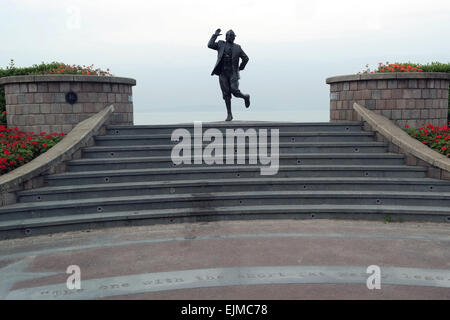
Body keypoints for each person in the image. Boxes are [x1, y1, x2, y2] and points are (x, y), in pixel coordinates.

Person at [208, 28, 251, 121]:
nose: (230, 37)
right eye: (228, 35)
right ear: (226, 36)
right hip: (222, 73)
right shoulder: (220, 44)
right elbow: (210, 45)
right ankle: (229, 114)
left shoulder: (238, 47)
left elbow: (246, 58)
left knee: (235, 91)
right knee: (226, 94)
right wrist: (215, 35)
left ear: (234, 38)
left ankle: (245, 97)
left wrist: (241, 67)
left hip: (233, 73)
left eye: (232, 36)